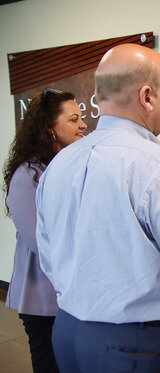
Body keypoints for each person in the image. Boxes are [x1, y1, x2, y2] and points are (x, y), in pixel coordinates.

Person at [35, 44, 160, 373]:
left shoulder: (58, 165)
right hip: (140, 349)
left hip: (69, 335)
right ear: (147, 96)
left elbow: (50, 255)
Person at [3, 89, 86, 373]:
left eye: (81, 118)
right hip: (43, 297)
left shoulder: (72, 167)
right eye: (74, 119)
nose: (83, 125)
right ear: (50, 128)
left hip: (76, 293)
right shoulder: (27, 176)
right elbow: (42, 243)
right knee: (50, 364)